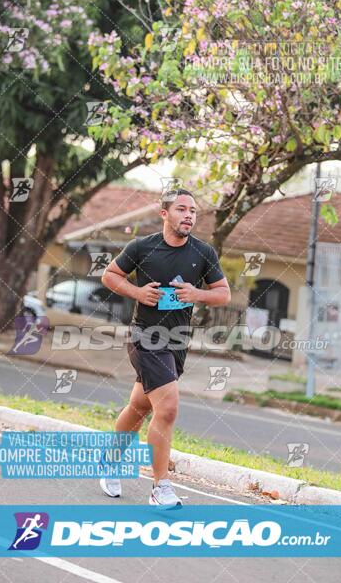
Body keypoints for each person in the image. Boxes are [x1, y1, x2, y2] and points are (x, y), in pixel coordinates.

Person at [100, 188, 230, 507]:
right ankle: (160, 487)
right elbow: (110, 275)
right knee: (167, 408)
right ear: (165, 214)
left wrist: (197, 295)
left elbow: (224, 294)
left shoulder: (204, 253)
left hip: (177, 342)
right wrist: (137, 292)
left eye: (193, 211)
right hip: (145, 336)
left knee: (139, 407)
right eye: (182, 209)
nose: (189, 215)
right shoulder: (142, 247)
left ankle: (109, 462)